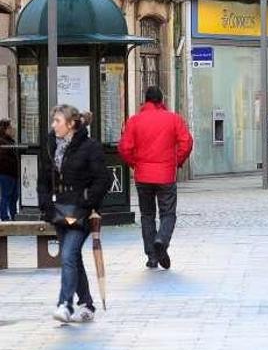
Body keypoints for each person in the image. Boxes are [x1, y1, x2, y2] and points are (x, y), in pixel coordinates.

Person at [38, 105, 110, 323]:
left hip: (81, 213)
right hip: (59, 211)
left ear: (71, 124)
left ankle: (65, 304)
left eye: (57, 121)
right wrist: (45, 205)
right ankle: (86, 303)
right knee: (73, 258)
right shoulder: (51, 146)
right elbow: (43, 179)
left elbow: (103, 180)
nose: (53, 125)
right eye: (53, 120)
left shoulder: (89, 147)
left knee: (68, 254)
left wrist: (88, 203)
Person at [119, 86, 193, 270]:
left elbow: (124, 148)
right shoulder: (173, 119)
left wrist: (135, 164)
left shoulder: (134, 121)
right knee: (168, 213)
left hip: (143, 174)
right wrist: (177, 161)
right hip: (166, 174)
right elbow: (187, 142)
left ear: (145, 100)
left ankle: (152, 255)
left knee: (147, 215)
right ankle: (161, 240)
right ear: (161, 101)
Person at [0, 119, 19, 221]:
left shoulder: (10, 141)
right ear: (5, 129)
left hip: (13, 173)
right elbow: (3, 159)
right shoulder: (2, 141)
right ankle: (4, 217)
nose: (12, 130)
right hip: (6, 173)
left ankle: (14, 215)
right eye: (10, 128)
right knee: (6, 196)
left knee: (14, 197)